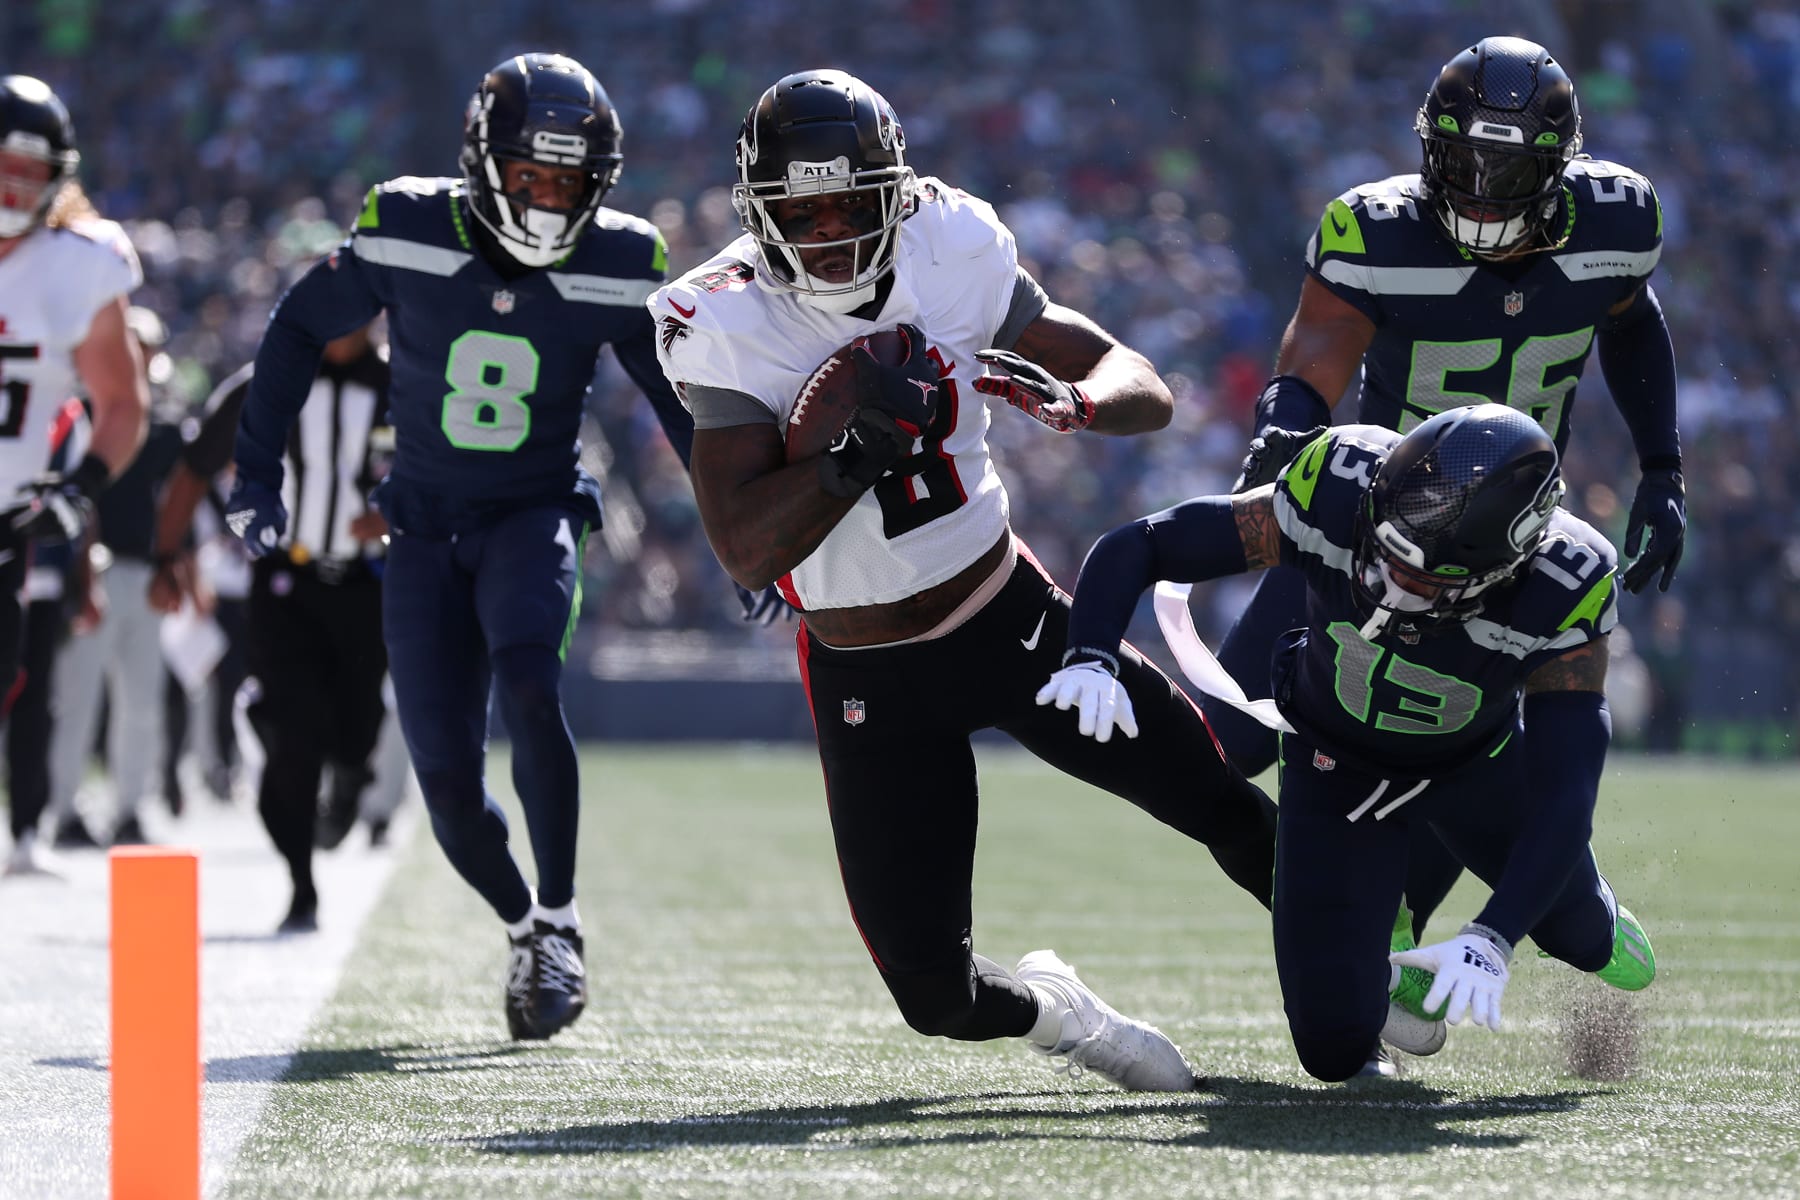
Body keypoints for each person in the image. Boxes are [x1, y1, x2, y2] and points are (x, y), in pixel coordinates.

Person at [650, 68, 1278, 1092]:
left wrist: (1077, 404)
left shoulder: (951, 243)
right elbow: (746, 550)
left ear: (894, 195)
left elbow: (1143, 385)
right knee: (937, 999)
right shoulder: (723, 319)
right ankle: (1068, 1019)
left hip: (1011, 622)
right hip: (868, 676)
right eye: (797, 211)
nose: (825, 232)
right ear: (756, 212)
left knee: (1224, 805)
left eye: (849, 205)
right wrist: (857, 455)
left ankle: (1360, 986)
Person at [225, 53, 696, 1037]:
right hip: (424, 528)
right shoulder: (406, 226)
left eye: (566, 181)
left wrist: (743, 534)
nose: (546, 195)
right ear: (487, 162)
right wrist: (258, 475)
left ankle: (560, 922)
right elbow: (296, 328)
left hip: (533, 513)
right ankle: (523, 928)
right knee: (444, 785)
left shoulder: (621, 260)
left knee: (530, 684)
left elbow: (679, 406)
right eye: (530, 174)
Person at [1207, 36, 1686, 939]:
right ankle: (1336, 894)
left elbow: (1631, 316)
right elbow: (1311, 361)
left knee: (1461, 761)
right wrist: (1284, 424)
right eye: (1458, 160)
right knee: (1221, 745)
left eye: (1503, 169)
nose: (1475, 186)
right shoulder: (1377, 230)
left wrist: (1661, 464)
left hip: (1510, 549)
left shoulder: (1615, 221)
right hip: (1372, 532)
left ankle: (1429, 926)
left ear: (1558, 167)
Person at [1046, 404, 1658, 1082]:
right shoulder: (1340, 483)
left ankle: (1597, 915)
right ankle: (1385, 934)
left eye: (1422, 578)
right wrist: (1091, 652)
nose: (1385, 581)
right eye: (1383, 549)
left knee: (1580, 937)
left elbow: (1567, 790)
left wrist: (1493, 937)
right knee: (1334, 1051)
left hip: (1473, 766)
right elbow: (1146, 542)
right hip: (1334, 760)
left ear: (1500, 569)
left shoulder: (1566, 583)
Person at [153, 322, 393, 932]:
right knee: (293, 741)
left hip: (367, 586)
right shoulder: (271, 381)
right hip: (285, 582)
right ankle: (301, 883)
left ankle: (350, 772)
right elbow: (195, 465)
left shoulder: (400, 382)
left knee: (353, 732)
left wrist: (397, 508)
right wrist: (164, 554)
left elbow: (447, 470)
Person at [0, 75, 149, 868]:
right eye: (2, 163)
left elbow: (123, 403)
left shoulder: (80, 265)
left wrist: (80, 488)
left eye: (29, 169)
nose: (12, 184)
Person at [45, 306, 183, 847]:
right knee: (77, 698)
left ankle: (130, 809)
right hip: (91, 571)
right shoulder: (81, 414)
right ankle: (62, 809)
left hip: (144, 573)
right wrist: (84, 572)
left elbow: (178, 503)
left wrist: (177, 568)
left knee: (141, 702)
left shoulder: (165, 427)